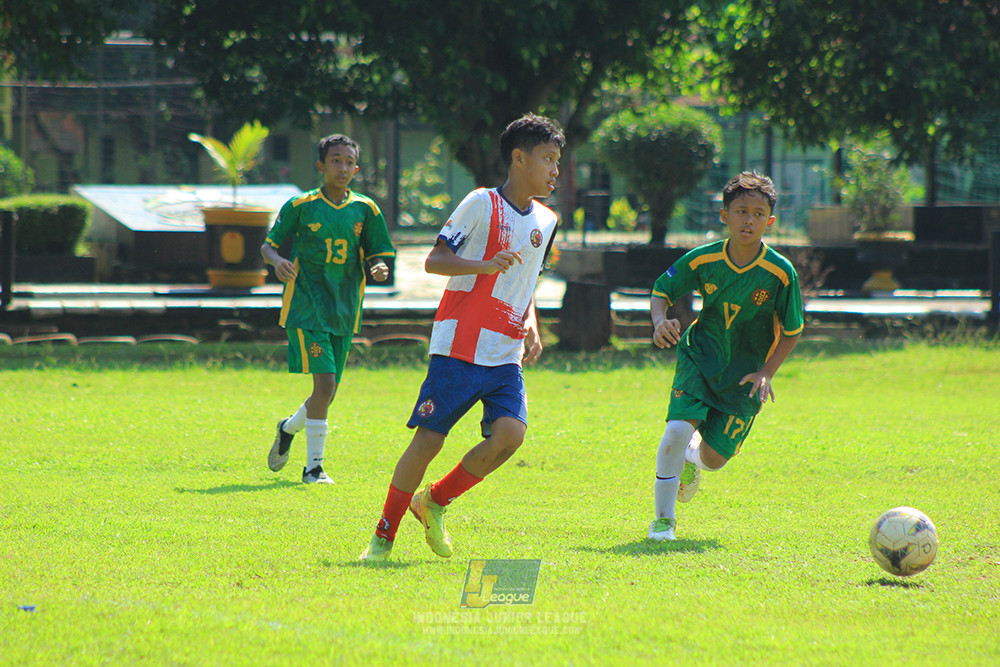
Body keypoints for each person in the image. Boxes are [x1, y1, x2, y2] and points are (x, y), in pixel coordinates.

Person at [360, 113, 564, 561]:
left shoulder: (547, 220)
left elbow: (526, 280)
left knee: (511, 434)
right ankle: (383, 535)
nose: (554, 170)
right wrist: (484, 265)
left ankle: (433, 501)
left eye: (557, 161)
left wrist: (531, 321)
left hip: (506, 349)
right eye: (547, 159)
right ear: (518, 158)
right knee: (429, 440)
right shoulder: (480, 203)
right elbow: (435, 261)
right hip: (459, 345)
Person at [647, 171, 804, 541]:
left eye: (758, 213)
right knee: (674, 432)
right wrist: (659, 320)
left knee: (714, 460)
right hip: (699, 358)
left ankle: (692, 457)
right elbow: (662, 289)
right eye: (741, 211)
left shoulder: (781, 273)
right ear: (724, 216)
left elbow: (793, 331)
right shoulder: (704, 260)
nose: (749, 220)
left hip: (744, 377)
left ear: (770, 221)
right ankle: (663, 522)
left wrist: (767, 371)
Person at [261, 133, 395, 484]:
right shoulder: (301, 205)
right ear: (321, 166)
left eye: (349, 162)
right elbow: (269, 246)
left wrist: (379, 267)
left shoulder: (366, 209)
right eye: (336, 160)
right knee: (324, 388)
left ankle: (288, 428)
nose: (343, 168)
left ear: (356, 168)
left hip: (345, 309)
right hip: (307, 307)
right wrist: (277, 261)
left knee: (328, 391)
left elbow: (378, 253)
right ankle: (314, 469)